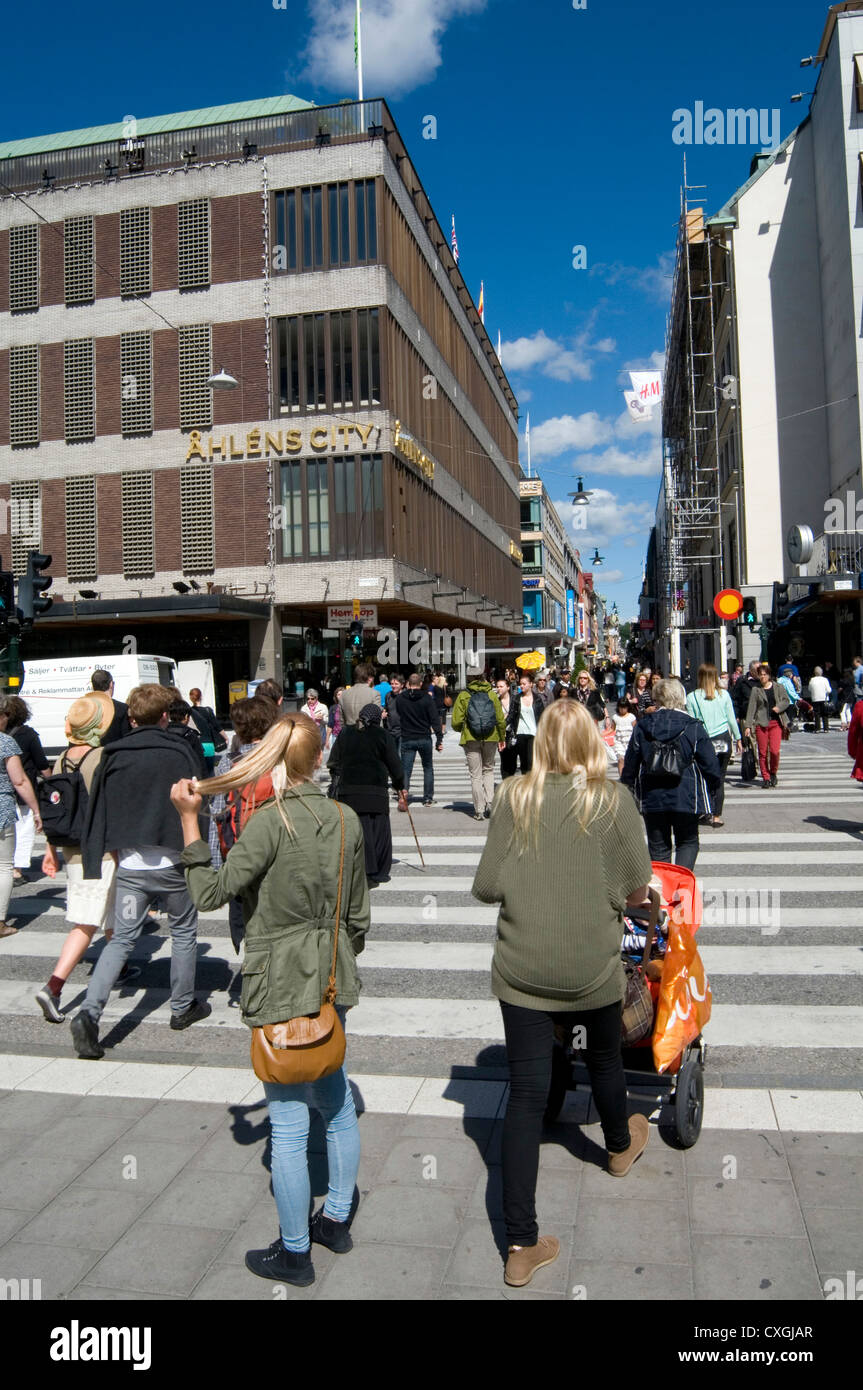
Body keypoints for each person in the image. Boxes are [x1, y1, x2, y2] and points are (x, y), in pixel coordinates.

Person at [170, 714, 369, 1287]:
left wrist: (190, 823)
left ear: (275, 760)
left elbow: (209, 894)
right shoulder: (344, 817)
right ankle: (335, 1220)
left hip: (278, 979)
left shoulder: (268, 821)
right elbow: (357, 917)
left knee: (285, 1122)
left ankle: (296, 1251)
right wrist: (331, 956)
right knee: (334, 1099)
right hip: (332, 975)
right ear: (319, 757)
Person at [472, 699, 655, 1288]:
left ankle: (520, 1245)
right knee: (605, 1057)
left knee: (524, 1098)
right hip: (590, 970)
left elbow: (486, 886)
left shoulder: (512, 797)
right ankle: (620, 1146)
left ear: (540, 741)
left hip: (521, 971)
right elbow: (633, 887)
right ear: (592, 742)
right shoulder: (612, 800)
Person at [69, 684, 210, 1059]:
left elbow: (100, 806)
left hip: (130, 862)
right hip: (173, 860)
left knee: (121, 940)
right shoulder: (180, 751)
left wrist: (99, 854)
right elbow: (196, 799)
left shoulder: (112, 755)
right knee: (183, 932)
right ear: (166, 716)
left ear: (130, 718)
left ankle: (89, 1011)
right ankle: (182, 1008)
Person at [34, 693, 125, 1021]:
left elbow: (54, 808)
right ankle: (53, 987)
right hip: (98, 851)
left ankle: (118, 967)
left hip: (72, 848)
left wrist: (49, 850)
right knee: (85, 924)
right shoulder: (103, 756)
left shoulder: (60, 760)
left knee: (111, 911)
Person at [621, 678, 721, 870]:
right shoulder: (692, 726)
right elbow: (710, 764)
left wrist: (628, 787)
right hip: (686, 792)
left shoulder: (643, 726)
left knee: (658, 848)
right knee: (687, 842)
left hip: (652, 795)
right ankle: (681, 888)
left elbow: (631, 763)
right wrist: (714, 789)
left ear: (656, 699)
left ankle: (664, 893)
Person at [207, 696, 280, 957]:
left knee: (246, 918)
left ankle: (253, 963)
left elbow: (219, 812)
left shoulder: (229, 763)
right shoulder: (279, 760)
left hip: (239, 854)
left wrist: (218, 867)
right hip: (276, 854)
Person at [328, 703, 407, 885]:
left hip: (349, 793)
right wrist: (399, 784)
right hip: (376, 792)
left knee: (357, 832)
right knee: (378, 832)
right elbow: (395, 765)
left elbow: (333, 761)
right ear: (378, 719)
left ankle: (360, 868)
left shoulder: (346, 733)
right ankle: (377, 871)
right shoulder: (382, 735)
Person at [0, 695, 44, 939]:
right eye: (4, 715)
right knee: (4, 866)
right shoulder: (5, 743)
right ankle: (0, 922)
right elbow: (19, 780)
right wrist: (36, 810)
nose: (7, 720)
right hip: (2, 808)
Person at [685, 663, 742, 827]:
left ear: (700, 677)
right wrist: (738, 738)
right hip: (723, 739)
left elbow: (692, 722)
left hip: (704, 741)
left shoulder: (692, 697)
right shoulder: (724, 695)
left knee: (703, 778)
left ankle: (706, 811)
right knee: (720, 778)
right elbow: (731, 719)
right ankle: (717, 816)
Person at [451, 668, 506, 820]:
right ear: (483, 677)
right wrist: (502, 737)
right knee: (488, 770)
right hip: (491, 737)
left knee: (475, 775)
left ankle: (479, 810)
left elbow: (455, 721)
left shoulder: (463, 695)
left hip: (471, 738)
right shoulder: (492, 694)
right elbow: (500, 719)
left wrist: (462, 729)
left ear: (468, 678)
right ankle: (490, 802)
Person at [6, 696, 50, 882]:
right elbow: (41, 763)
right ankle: (16, 870)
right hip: (24, 791)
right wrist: (52, 781)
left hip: (5, 791)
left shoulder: (2, 736)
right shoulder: (28, 734)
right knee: (24, 830)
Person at [395, 674, 443, 806]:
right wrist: (439, 738)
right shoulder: (427, 698)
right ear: (421, 684)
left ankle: (404, 792)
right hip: (424, 737)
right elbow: (434, 719)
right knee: (427, 767)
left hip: (407, 737)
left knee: (406, 768)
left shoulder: (400, 698)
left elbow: (399, 713)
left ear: (408, 684)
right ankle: (428, 798)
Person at [743, 663, 791, 789]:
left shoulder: (778, 687)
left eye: (765, 675)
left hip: (776, 723)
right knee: (762, 752)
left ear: (769, 675)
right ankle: (766, 777)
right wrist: (748, 726)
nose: (763, 677)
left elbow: (786, 701)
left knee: (774, 751)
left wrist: (778, 707)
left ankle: (773, 772)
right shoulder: (756, 690)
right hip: (761, 723)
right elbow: (751, 708)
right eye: (760, 675)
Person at [501, 674, 538, 778]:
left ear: (531, 684)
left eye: (524, 684)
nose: (521, 686)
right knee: (524, 761)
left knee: (531, 761)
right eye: (520, 684)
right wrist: (502, 726)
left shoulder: (537, 699)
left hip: (533, 733)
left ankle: (531, 783)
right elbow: (511, 715)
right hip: (520, 732)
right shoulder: (517, 698)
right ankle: (526, 783)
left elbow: (542, 716)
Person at [166, 700, 208, 778]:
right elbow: (200, 762)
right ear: (186, 716)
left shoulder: (163, 733)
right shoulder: (190, 735)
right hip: (187, 777)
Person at [91, 670, 131, 744]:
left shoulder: (85, 708)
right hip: (115, 753)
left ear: (92, 686)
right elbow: (126, 738)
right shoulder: (122, 709)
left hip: (91, 753)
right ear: (111, 684)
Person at [188, 688, 226, 759]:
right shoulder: (207, 711)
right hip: (208, 744)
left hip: (195, 745)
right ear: (201, 697)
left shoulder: (189, 712)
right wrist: (225, 737)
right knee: (210, 769)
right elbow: (217, 726)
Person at [339, 663, 381, 727]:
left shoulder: (344, 694)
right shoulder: (374, 694)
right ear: (370, 678)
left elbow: (341, 721)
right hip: (367, 734)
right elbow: (377, 721)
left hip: (349, 734)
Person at [612, 699, 636, 777]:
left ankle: (630, 777)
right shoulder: (615, 717)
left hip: (630, 741)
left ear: (627, 707)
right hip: (619, 742)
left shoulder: (631, 717)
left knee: (630, 761)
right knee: (620, 759)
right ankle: (622, 778)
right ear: (618, 707)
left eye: (624, 707)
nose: (622, 709)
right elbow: (612, 729)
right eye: (621, 707)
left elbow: (636, 729)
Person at [807, 667, 832, 734]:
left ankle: (817, 728)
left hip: (815, 698)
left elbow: (809, 689)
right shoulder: (825, 679)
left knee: (817, 714)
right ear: (822, 672)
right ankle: (826, 728)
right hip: (824, 698)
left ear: (814, 673)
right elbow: (829, 690)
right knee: (825, 713)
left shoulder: (812, 680)